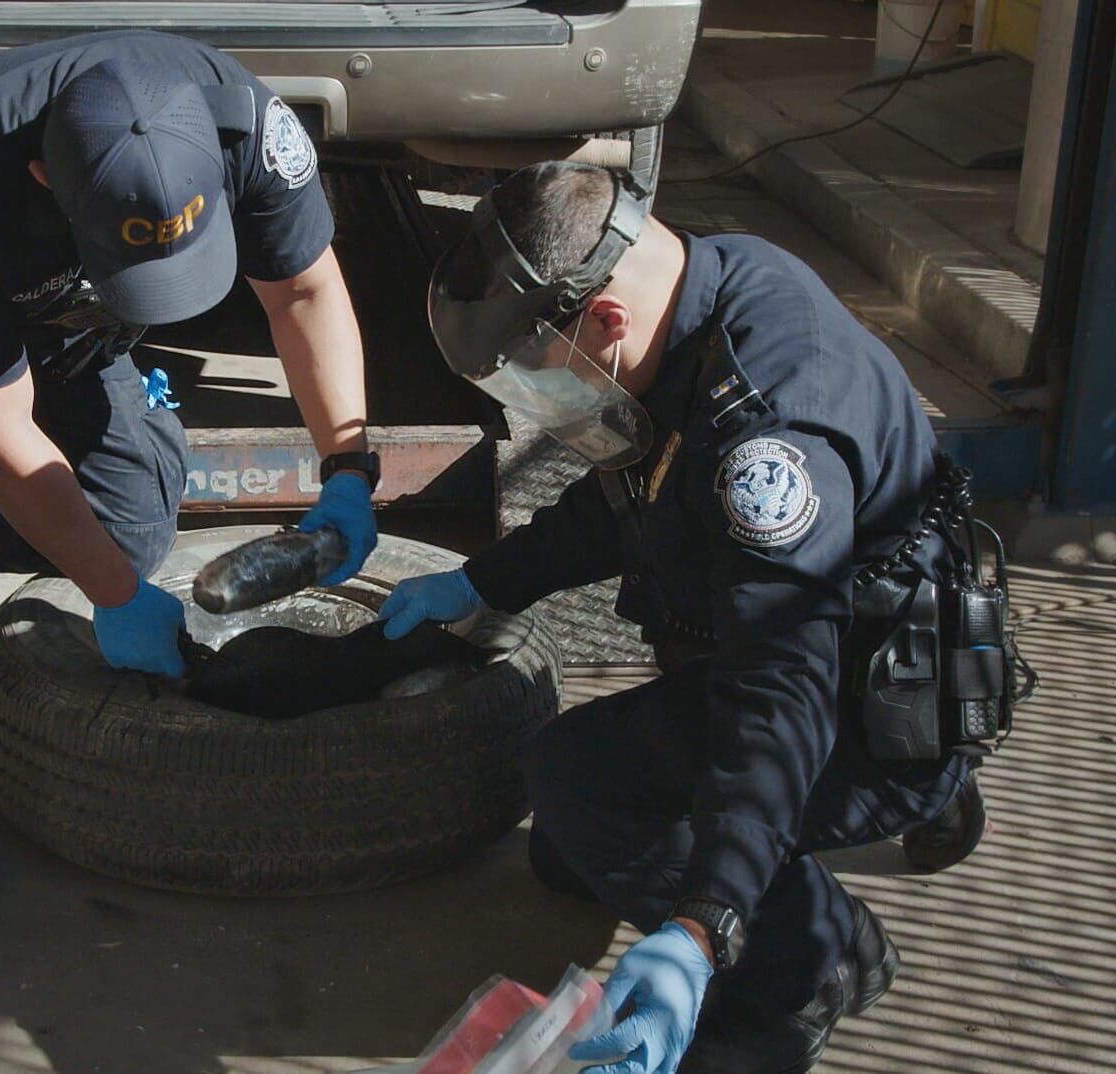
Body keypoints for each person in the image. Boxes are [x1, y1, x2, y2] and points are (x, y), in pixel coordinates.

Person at [0, 30, 381, 1028]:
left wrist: (349, 470)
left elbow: (305, 291)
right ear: (47, 171)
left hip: (52, 298)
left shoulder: (241, 124)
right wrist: (102, 593)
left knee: (129, 522)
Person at [377, 162, 988, 1074]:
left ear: (603, 320)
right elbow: (632, 494)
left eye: (524, 370)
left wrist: (704, 930)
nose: (528, 396)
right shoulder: (706, 287)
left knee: (575, 782)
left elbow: (779, 697)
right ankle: (879, 815)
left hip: (850, 702)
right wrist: (484, 582)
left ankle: (815, 959)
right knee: (569, 856)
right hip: (866, 639)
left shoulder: (766, 440)